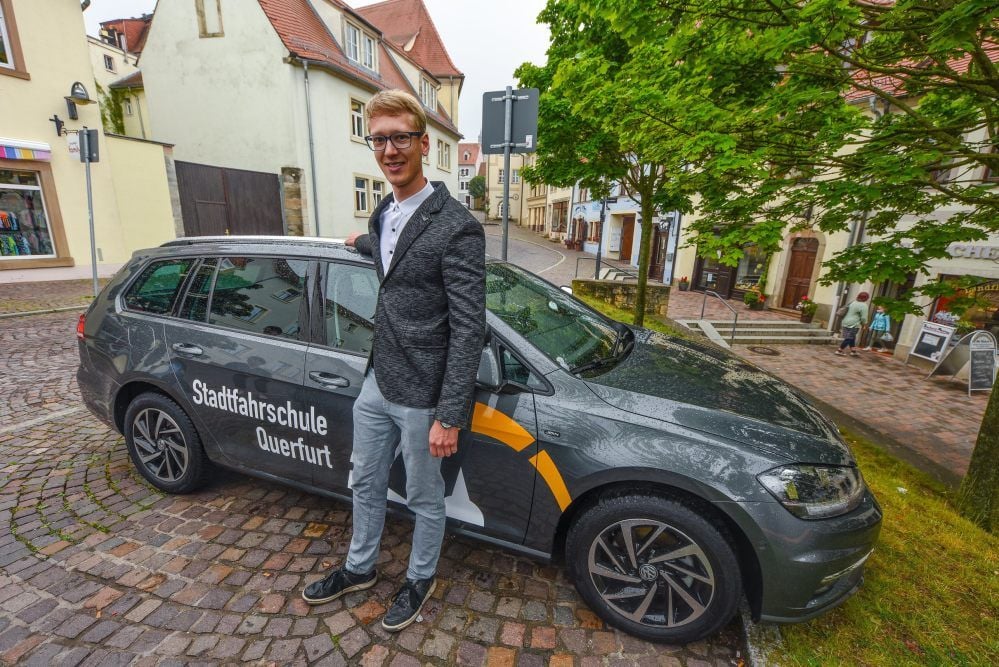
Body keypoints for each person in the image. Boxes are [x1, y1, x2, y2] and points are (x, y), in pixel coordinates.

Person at [301, 90, 486, 633]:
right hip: (377, 380)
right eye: (378, 139)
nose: (389, 150)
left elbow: (469, 325)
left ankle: (418, 579)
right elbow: (389, 249)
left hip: (424, 393)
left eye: (400, 137)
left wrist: (450, 414)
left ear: (423, 143)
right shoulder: (385, 210)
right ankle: (359, 568)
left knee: (426, 497)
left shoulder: (457, 225)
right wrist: (360, 240)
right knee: (364, 481)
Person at [835, 291, 870, 357]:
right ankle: (839, 350)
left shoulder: (853, 302)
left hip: (845, 322)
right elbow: (864, 318)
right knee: (848, 338)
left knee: (852, 337)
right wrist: (864, 325)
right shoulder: (864, 305)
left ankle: (853, 351)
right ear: (866, 298)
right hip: (853, 324)